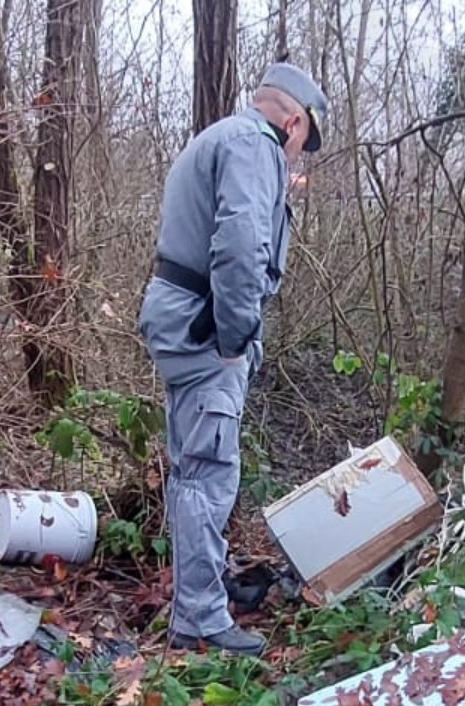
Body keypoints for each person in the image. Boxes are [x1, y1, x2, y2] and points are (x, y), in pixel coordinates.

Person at [139, 62, 329, 656]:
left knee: (194, 468)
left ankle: (200, 596)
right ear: (293, 122)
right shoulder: (254, 145)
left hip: (182, 314)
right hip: (205, 326)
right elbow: (241, 245)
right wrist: (236, 337)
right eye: (302, 142)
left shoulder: (222, 136)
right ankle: (199, 618)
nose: (296, 157)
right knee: (209, 473)